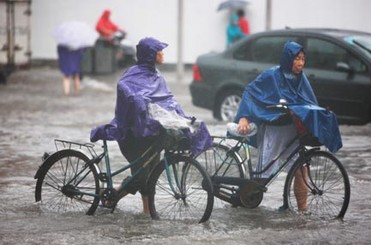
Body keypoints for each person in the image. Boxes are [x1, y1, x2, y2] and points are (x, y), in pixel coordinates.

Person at [90, 37, 212, 214]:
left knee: (149, 173)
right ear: (150, 54)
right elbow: (125, 90)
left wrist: (179, 117)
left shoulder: (157, 76)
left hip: (153, 130)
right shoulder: (132, 75)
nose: (162, 54)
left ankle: (141, 209)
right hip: (134, 132)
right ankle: (143, 210)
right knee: (142, 175)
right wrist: (140, 103)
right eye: (159, 51)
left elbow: (167, 100)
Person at [234, 41, 342, 211]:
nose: (300, 63)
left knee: (300, 168)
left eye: (303, 59)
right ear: (288, 58)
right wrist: (244, 118)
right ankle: (245, 202)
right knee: (263, 175)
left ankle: (303, 211)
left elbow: (309, 103)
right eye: (297, 59)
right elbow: (250, 92)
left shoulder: (301, 79)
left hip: (292, 130)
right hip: (274, 128)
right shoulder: (271, 75)